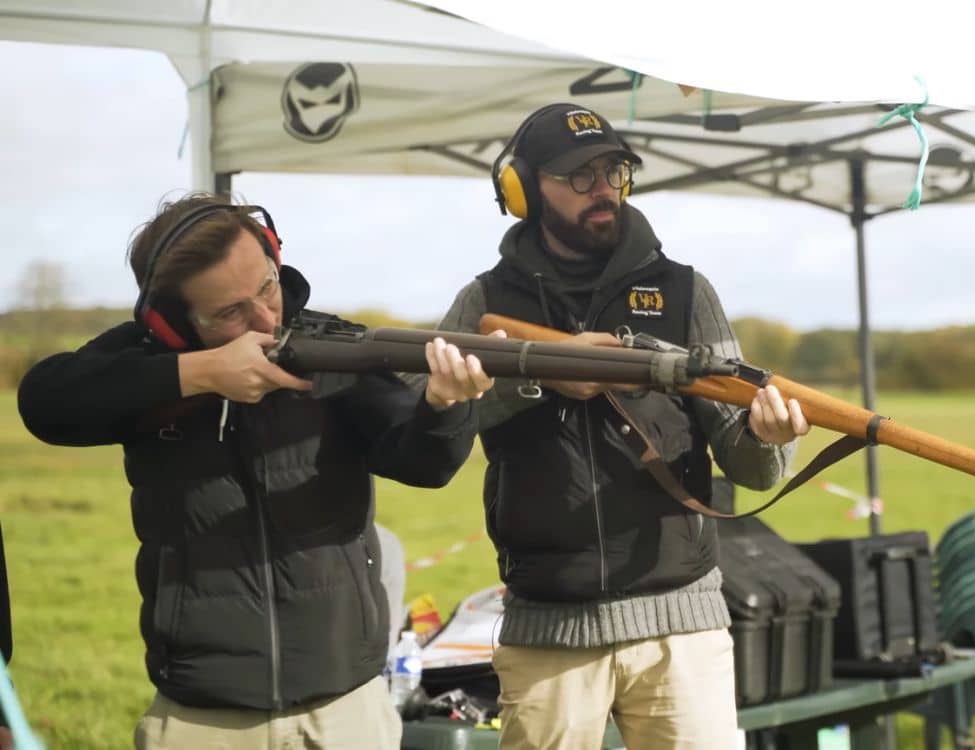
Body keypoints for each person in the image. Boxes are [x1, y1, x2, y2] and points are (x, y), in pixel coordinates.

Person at [17, 193, 496, 750]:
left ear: (274, 257)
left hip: (347, 707)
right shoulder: (145, 364)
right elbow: (44, 402)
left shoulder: (329, 347)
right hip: (203, 717)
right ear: (171, 324)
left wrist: (446, 406)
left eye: (267, 286)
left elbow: (422, 464)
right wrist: (199, 373)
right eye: (229, 312)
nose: (266, 318)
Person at [434, 103, 811, 749]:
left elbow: (746, 462)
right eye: (580, 176)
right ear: (523, 189)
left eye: (613, 171)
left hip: (681, 625)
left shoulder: (687, 293)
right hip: (547, 626)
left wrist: (770, 439)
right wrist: (540, 378)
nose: (603, 188)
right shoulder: (485, 301)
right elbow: (432, 420)